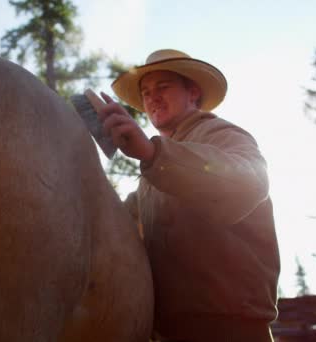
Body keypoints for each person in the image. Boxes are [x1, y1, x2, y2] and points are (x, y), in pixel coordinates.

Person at [97, 49, 280, 341]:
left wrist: (151, 152)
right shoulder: (150, 176)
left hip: (231, 328)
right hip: (169, 331)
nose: (152, 98)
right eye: (145, 92)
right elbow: (117, 223)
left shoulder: (221, 134)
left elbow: (250, 184)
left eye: (163, 87)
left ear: (193, 92)